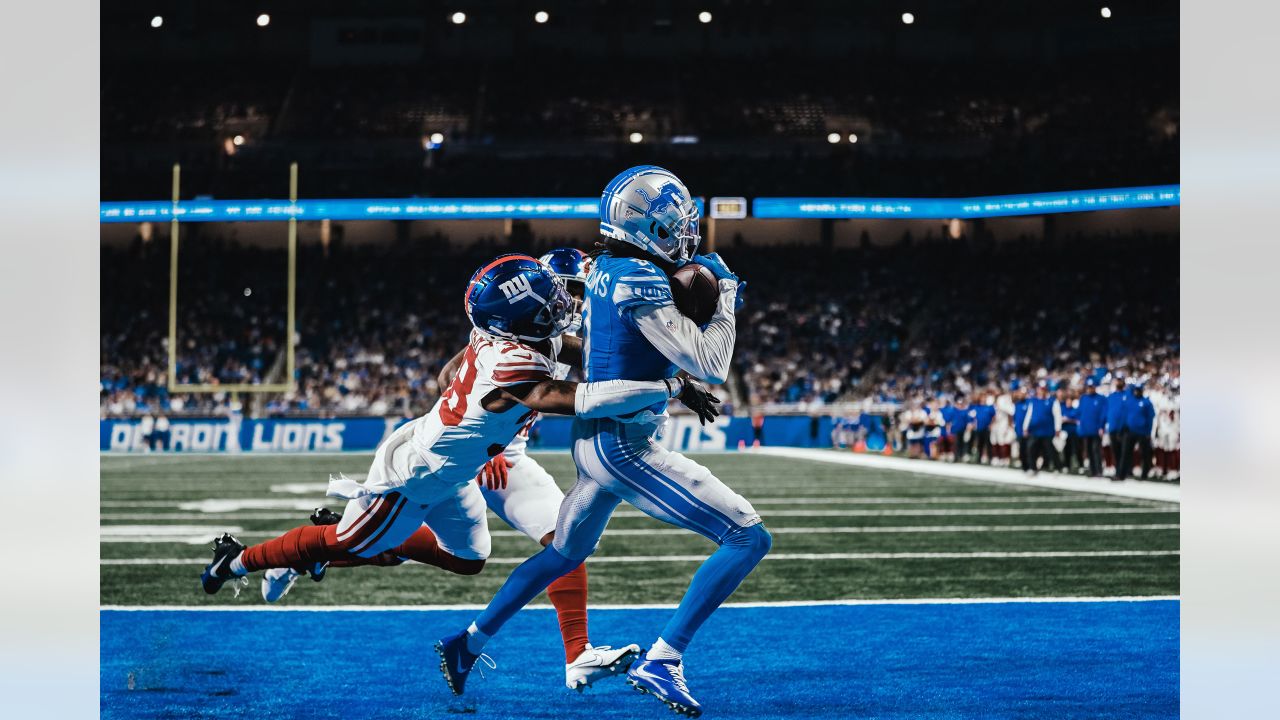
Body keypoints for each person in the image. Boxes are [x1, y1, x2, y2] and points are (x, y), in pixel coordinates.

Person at [196, 253, 722, 691]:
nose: (567, 306)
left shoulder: (512, 337)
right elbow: (581, 398)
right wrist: (672, 386)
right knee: (347, 543)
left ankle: (326, 547)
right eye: (557, 299)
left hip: (453, 466)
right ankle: (240, 560)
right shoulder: (515, 360)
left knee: (471, 560)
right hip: (414, 479)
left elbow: (531, 360)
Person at [435, 166, 768, 718]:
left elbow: (616, 348)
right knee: (747, 538)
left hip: (597, 443)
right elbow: (712, 361)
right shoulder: (638, 276)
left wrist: (677, 386)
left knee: (563, 554)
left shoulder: (610, 267)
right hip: (622, 447)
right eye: (674, 221)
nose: (685, 229)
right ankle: (665, 658)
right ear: (648, 225)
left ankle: (468, 642)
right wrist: (727, 294)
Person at [1022, 381, 1061, 474]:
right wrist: (1025, 427)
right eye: (1040, 389)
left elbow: (1057, 415)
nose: (1041, 391)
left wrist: (1057, 428)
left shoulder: (1052, 401)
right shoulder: (1034, 401)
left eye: (1043, 389)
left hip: (1047, 430)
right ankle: (1032, 467)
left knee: (1050, 449)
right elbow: (1029, 415)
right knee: (1031, 448)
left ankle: (1057, 467)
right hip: (1035, 430)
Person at [1122, 383, 1157, 480]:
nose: (1137, 392)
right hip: (1130, 431)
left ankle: (1145, 474)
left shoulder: (1146, 402)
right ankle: (1124, 473)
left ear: (1142, 391)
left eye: (1138, 390)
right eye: (1135, 390)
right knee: (1126, 453)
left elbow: (1150, 418)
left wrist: (1148, 432)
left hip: (1143, 432)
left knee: (1145, 454)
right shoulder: (1130, 400)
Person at [1077, 378, 1107, 477]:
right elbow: (1079, 412)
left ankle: (1099, 470)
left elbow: (1103, 414)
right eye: (1088, 387)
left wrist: (1101, 426)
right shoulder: (1083, 398)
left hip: (1096, 429)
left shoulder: (1101, 398)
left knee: (1096, 450)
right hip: (1086, 429)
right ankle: (1093, 470)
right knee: (1089, 450)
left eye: (1091, 387)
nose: (1090, 389)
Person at [1106, 376, 1132, 480]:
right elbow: (1107, 411)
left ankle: (1121, 474)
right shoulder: (1111, 396)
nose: (1119, 382)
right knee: (1116, 451)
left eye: (1121, 380)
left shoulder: (1128, 395)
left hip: (1125, 428)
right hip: (1113, 427)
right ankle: (1119, 471)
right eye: (1118, 380)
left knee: (1124, 452)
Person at [1058, 387, 1082, 473]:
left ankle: (1080, 465)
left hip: (1074, 432)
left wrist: (1068, 420)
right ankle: (1066, 465)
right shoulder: (1063, 408)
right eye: (1067, 401)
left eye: (1070, 401)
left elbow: (1078, 420)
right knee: (1066, 450)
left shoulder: (1075, 409)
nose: (1068, 402)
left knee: (1077, 449)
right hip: (1065, 433)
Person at [969, 393, 996, 464]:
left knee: (988, 444)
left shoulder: (990, 407)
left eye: (985, 398)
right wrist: (973, 424)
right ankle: (979, 458)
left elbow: (994, 417)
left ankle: (990, 458)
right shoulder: (976, 407)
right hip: (979, 428)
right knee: (979, 444)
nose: (983, 399)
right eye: (982, 397)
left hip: (987, 428)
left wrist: (991, 425)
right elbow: (972, 417)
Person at [948, 395, 973, 463]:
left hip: (963, 430)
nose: (960, 405)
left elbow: (969, 422)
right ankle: (955, 456)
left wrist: (968, 430)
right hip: (955, 430)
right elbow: (949, 421)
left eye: (961, 404)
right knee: (956, 444)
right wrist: (949, 430)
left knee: (962, 444)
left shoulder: (965, 412)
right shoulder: (953, 411)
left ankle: (961, 456)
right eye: (958, 404)